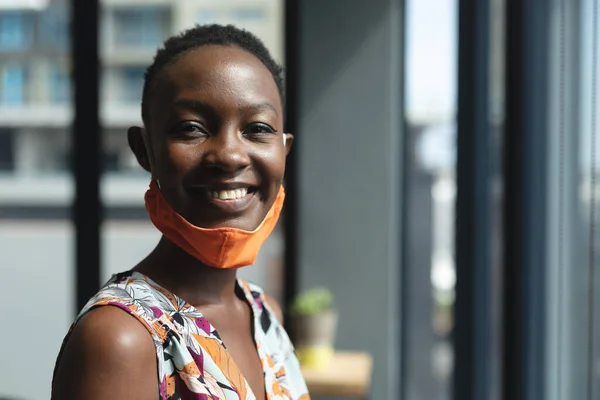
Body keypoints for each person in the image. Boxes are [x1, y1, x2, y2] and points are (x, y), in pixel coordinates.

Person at [52, 24, 310, 400]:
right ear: (145, 150)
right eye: (192, 128)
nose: (230, 155)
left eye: (257, 128)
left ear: (283, 151)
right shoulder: (119, 339)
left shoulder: (265, 313)